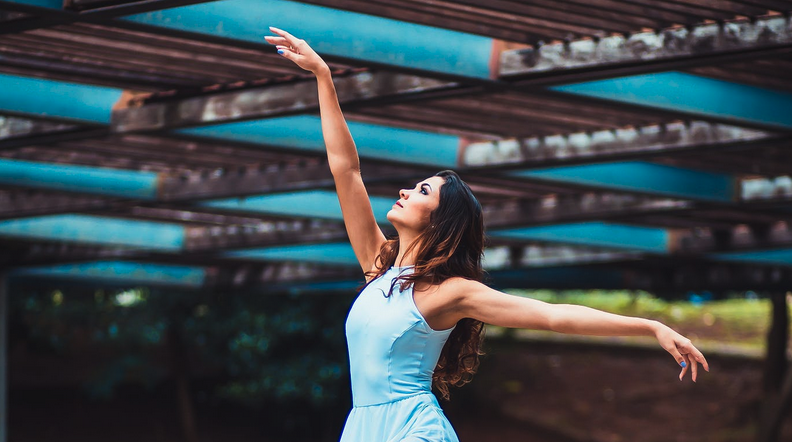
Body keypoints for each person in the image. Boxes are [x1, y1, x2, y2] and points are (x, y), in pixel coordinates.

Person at [265, 27, 709, 442]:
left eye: (422, 191)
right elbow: (346, 171)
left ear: (441, 222)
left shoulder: (449, 293)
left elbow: (552, 316)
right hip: (362, 427)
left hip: (412, 429)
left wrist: (650, 326)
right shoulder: (376, 266)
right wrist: (324, 77)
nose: (404, 190)